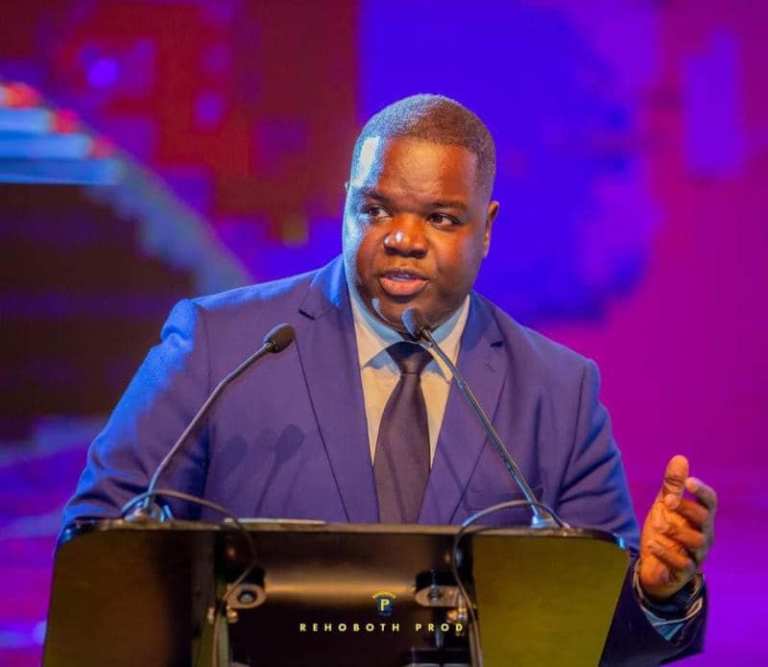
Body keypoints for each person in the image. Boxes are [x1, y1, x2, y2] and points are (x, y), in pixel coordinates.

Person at [63, 95, 716, 665]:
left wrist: (657, 592)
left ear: (487, 229)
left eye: (441, 218)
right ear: (346, 203)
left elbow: (598, 638)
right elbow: (99, 546)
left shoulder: (559, 391)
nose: (404, 238)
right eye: (377, 209)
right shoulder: (219, 344)